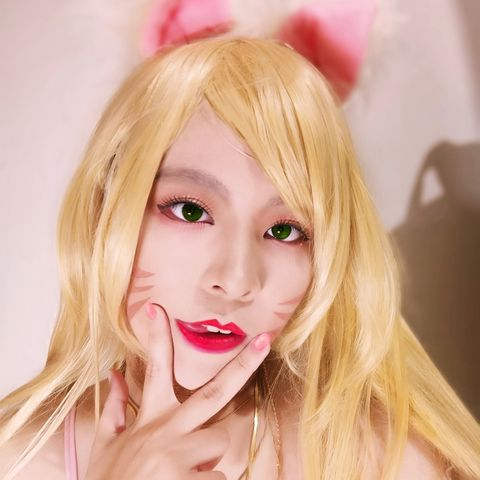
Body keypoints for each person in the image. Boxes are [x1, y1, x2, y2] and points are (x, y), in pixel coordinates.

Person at [0, 37, 479, 480]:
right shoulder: (18, 458)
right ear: (105, 211)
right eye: (190, 211)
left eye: (284, 231)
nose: (234, 281)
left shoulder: (385, 460)